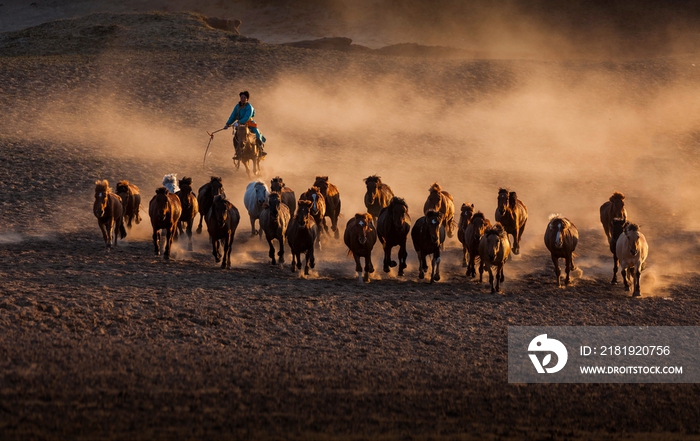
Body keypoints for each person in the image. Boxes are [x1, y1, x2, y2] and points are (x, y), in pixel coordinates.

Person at [224, 91, 267, 160]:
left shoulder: (249, 107)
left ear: (247, 99)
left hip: (249, 124)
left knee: (257, 134)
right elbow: (233, 116)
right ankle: (238, 153)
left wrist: (239, 122)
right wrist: (227, 124)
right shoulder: (237, 107)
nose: (242, 99)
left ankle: (261, 150)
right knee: (235, 138)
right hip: (240, 126)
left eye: (244, 97)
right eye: (241, 97)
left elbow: (247, 116)